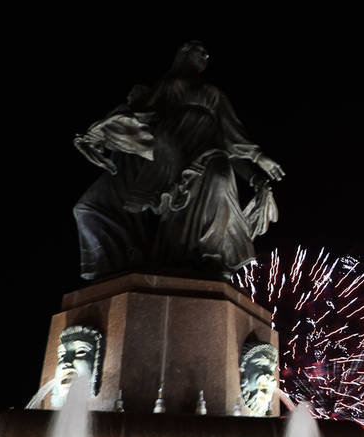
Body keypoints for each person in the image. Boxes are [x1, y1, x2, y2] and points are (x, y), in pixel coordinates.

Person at [73, 42, 284, 280]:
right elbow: (137, 115)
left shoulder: (213, 94)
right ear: (183, 54)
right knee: (95, 207)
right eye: (198, 50)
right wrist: (100, 134)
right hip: (171, 159)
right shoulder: (167, 86)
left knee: (221, 178)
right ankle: (140, 261)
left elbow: (231, 137)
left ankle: (210, 257)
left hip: (208, 154)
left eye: (206, 54)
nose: (204, 55)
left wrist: (257, 165)